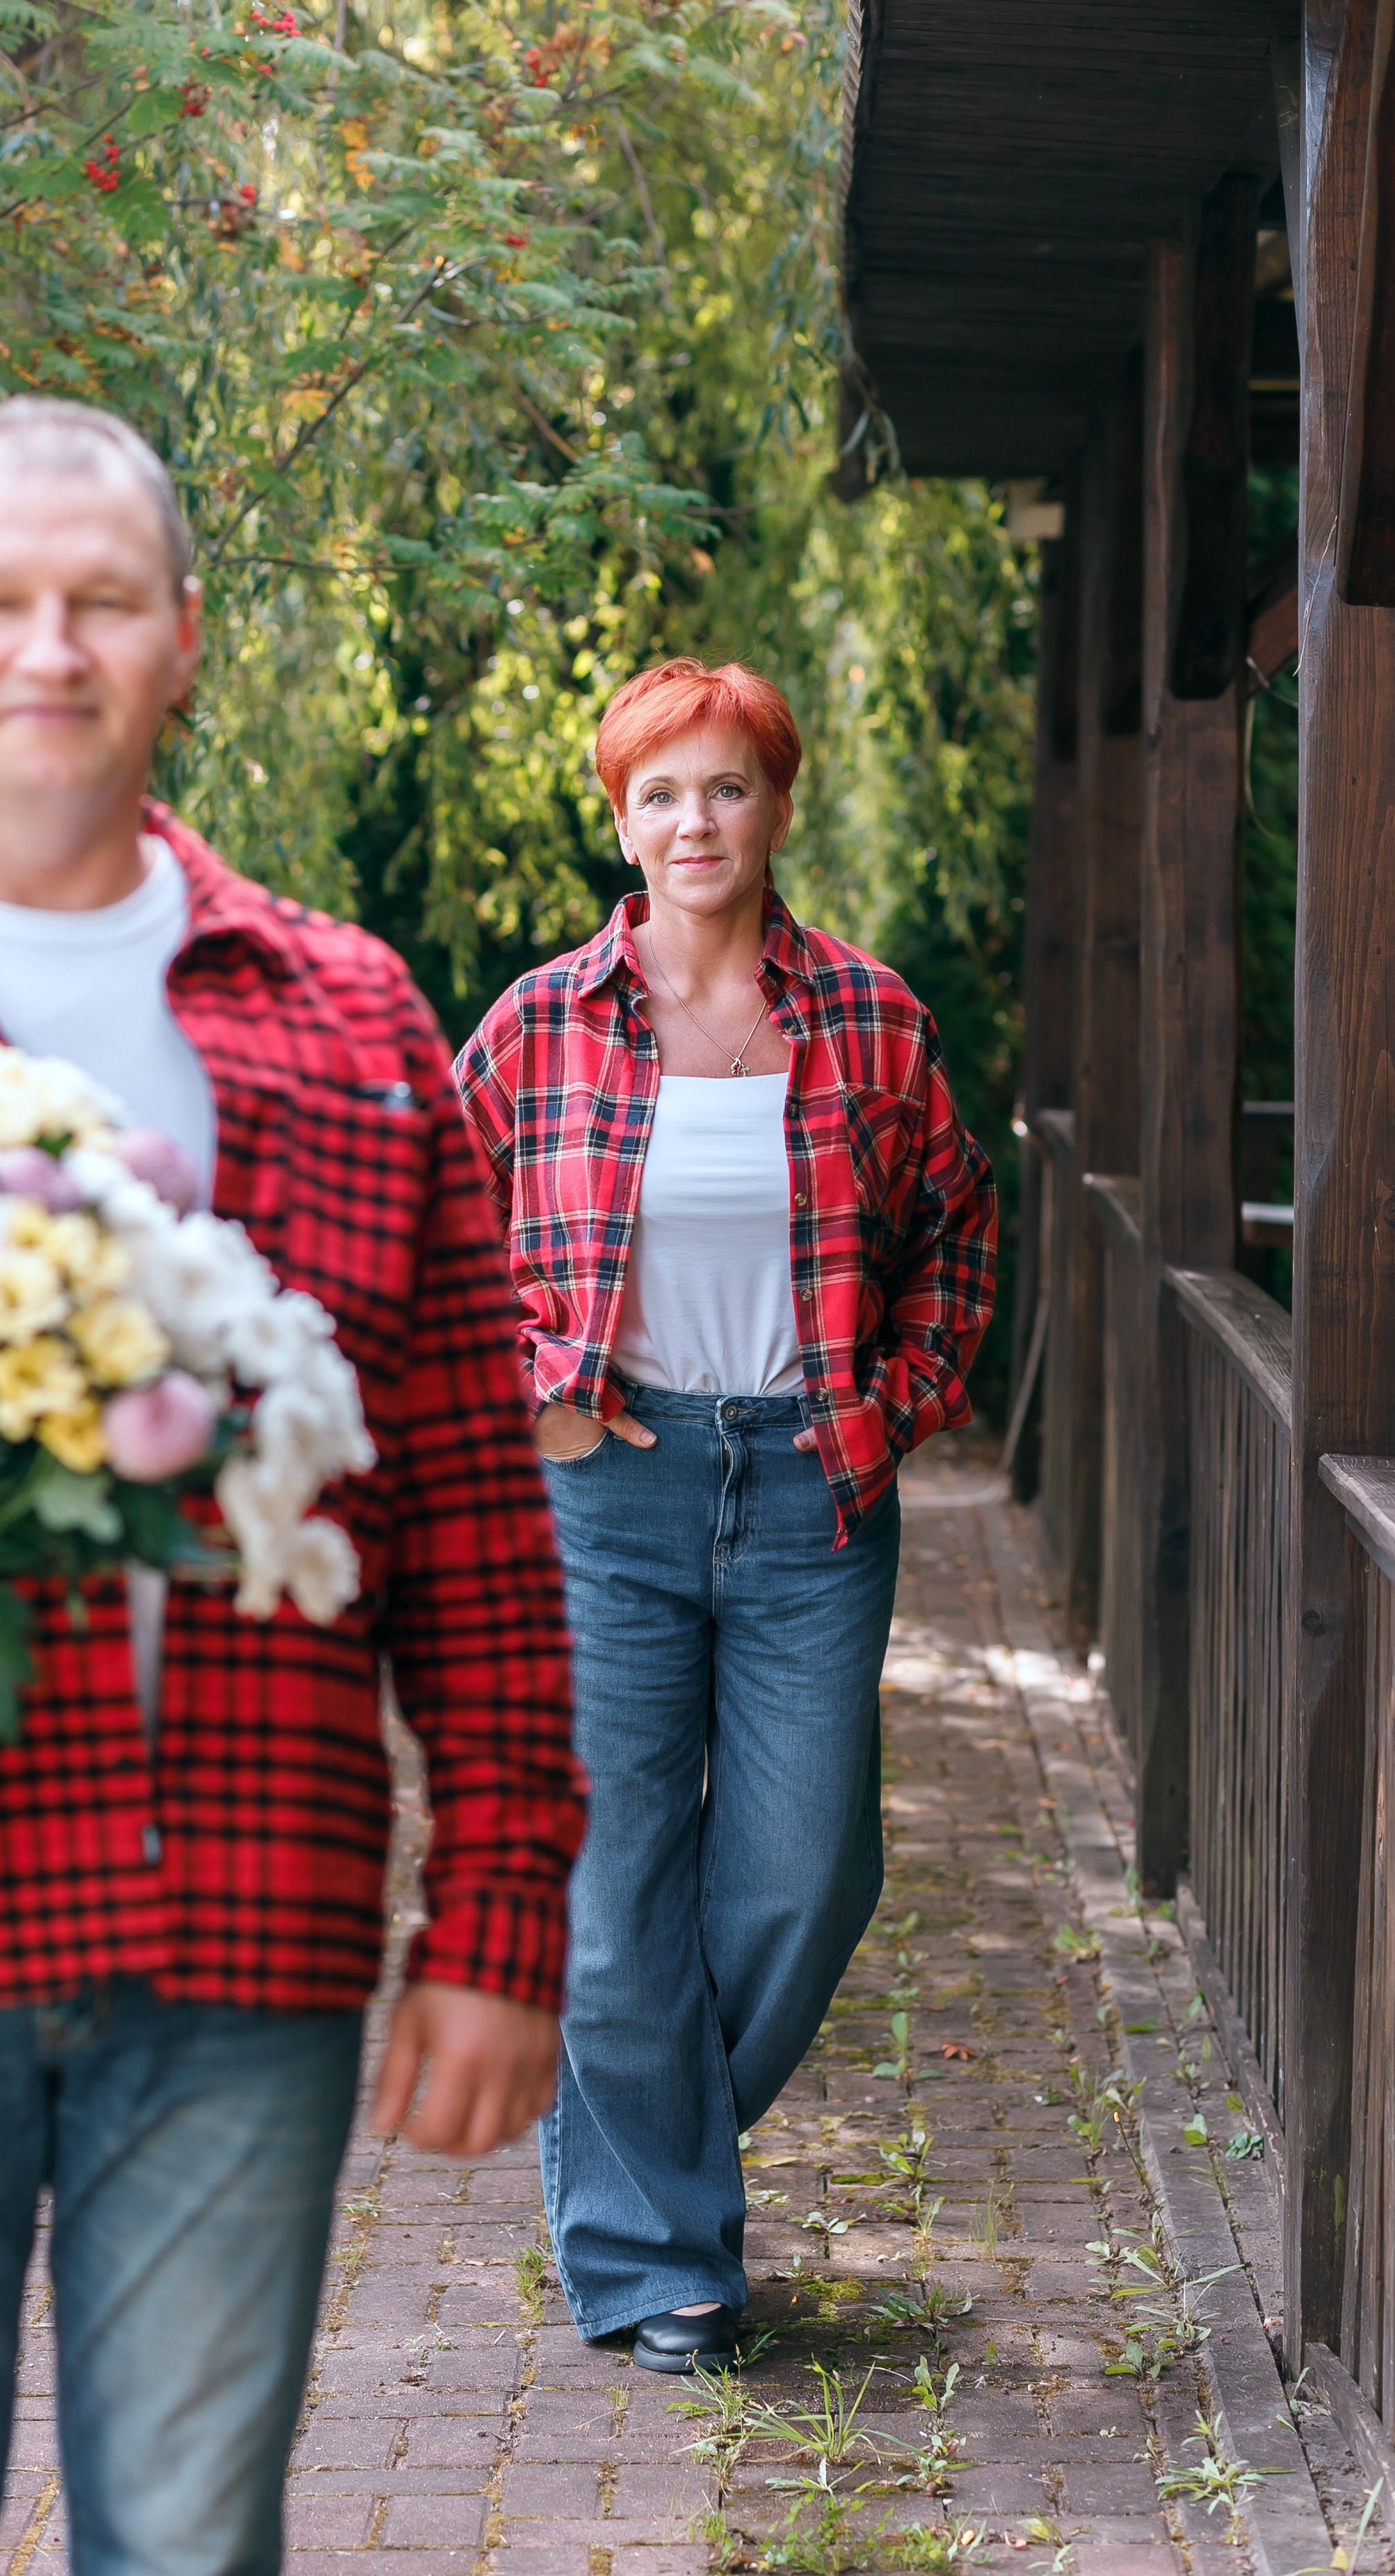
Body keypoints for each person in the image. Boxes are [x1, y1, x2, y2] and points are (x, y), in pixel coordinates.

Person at [0, 396, 585, 2576]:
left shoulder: (355, 1019)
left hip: (244, 1927)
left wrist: (499, 1913)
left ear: (185, 639)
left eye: (103, 600)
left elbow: (473, 1514)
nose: (51, 648)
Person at [455, 658, 995, 2372]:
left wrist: (882, 1413)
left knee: (804, 1873)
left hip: (806, 1492)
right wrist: (536, 1372)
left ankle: (630, 2150)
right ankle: (661, 2264)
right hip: (601, 1491)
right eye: (661, 793)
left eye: (727, 787)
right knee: (611, 1887)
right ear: (619, 820)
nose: (696, 822)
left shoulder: (871, 1024)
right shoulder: (538, 1025)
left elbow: (959, 1244)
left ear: (776, 804)